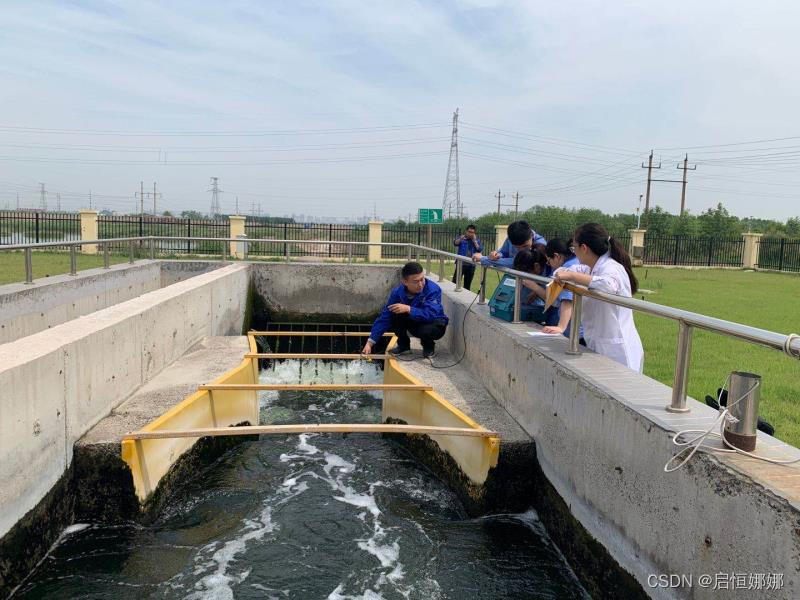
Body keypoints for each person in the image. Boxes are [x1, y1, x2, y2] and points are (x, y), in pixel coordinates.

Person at [551, 223, 644, 372]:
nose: (573, 252)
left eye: (574, 248)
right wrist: (564, 273)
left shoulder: (611, 268)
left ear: (584, 248)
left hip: (618, 348)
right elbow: (565, 270)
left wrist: (573, 276)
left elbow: (609, 285)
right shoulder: (590, 267)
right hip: (599, 342)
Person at [362, 261, 449, 359]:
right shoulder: (397, 292)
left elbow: (431, 315)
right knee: (393, 313)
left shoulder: (433, 290)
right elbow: (385, 317)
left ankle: (428, 346)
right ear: (405, 282)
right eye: (416, 281)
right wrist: (370, 342)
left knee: (426, 330)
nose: (421, 284)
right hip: (416, 323)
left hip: (435, 325)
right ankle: (404, 346)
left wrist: (408, 309)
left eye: (422, 279)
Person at [512, 248, 559, 325]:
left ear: (536, 266)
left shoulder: (554, 272)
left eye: (525, 274)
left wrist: (536, 288)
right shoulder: (538, 270)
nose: (524, 278)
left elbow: (555, 302)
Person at [472, 220, 547, 268]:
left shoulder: (541, 245)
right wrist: (497, 255)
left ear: (531, 235)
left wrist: (483, 259)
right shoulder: (510, 239)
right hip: (513, 278)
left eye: (525, 246)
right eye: (517, 247)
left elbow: (518, 262)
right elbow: (503, 252)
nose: (521, 251)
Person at [452, 224, 483, 291]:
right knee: (455, 282)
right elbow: (455, 243)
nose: (470, 234)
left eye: (472, 232)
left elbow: (479, 249)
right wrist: (461, 238)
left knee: (467, 285)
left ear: (474, 233)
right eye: (469, 232)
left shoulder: (476, 240)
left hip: (471, 265)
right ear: (466, 231)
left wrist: (474, 241)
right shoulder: (462, 238)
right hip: (461, 264)